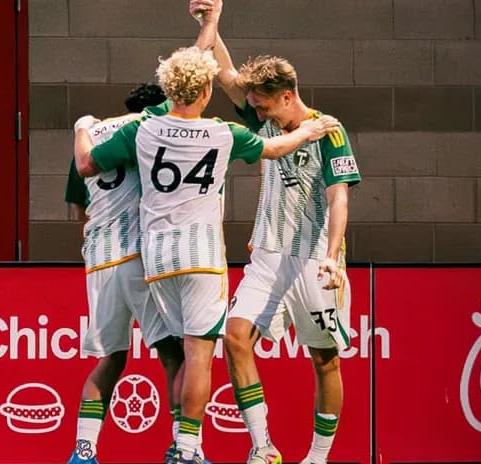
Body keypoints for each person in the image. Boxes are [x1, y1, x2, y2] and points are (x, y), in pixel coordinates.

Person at [74, 5, 339, 463]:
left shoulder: (143, 127)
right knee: (198, 353)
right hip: (199, 256)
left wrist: (82, 129)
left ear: (169, 87)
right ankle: (187, 448)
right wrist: (312, 129)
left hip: (154, 258)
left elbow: (87, 166)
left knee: (161, 353)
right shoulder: (223, 132)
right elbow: (275, 148)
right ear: (204, 89)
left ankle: (100, 448)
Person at [188, 1, 362, 463]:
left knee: (324, 360)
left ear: (287, 95)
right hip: (266, 255)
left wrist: (331, 254)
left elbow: (339, 196)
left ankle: (318, 457)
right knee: (235, 337)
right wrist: (213, 24)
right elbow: (227, 77)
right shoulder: (265, 119)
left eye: (261, 103)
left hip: (313, 262)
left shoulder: (328, 129)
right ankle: (263, 448)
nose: (256, 111)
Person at [63, 83, 187, 464]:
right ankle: (183, 448)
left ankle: (83, 452)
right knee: (175, 356)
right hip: (138, 256)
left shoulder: (91, 134)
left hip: (98, 260)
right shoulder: (149, 129)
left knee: (111, 358)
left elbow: (75, 211)